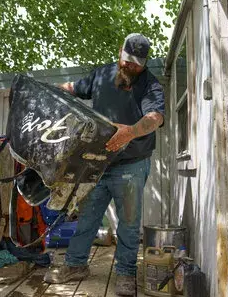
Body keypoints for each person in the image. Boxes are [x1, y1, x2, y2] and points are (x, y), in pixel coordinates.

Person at [44, 33, 166, 296]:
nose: (129, 66)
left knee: (129, 222)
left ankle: (125, 273)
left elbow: (155, 117)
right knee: (87, 216)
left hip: (132, 164)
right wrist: (48, 91)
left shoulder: (149, 85)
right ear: (120, 53)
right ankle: (75, 265)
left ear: (145, 63)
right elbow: (74, 89)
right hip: (97, 164)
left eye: (136, 63)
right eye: (127, 59)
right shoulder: (101, 75)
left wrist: (131, 131)